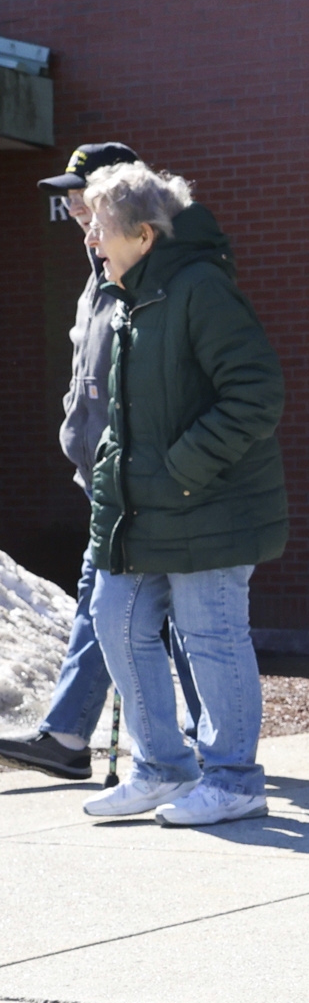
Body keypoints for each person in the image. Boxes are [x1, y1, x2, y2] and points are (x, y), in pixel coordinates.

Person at [75, 163, 285, 825]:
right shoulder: (131, 297)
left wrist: (180, 467)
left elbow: (255, 394)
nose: (92, 241)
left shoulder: (199, 288)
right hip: (146, 512)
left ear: (143, 233)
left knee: (211, 636)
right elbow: (128, 415)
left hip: (209, 505)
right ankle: (162, 768)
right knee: (116, 619)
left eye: (102, 228)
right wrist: (119, 474)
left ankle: (233, 781)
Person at [0, 143, 202, 784]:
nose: (73, 207)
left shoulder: (145, 276)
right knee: (157, 609)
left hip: (134, 479)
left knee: (105, 601)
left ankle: (66, 735)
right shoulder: (98, 273)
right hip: (106, 476)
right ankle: (211, 734)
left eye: (83, 194)